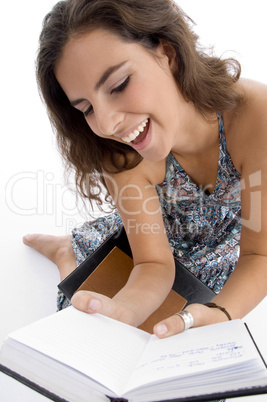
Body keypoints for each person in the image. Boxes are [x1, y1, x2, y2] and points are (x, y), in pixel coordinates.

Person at [23, 0, 267, 339]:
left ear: (167, 53)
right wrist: (126, 309)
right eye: (86, 108)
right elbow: (153, 264)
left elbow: (259, 255)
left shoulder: (257, 116)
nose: (107, 124)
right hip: (149, 247)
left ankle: (72, 250)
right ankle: (69, 252)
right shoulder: (120, 152)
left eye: (119, 85)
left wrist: (221, 313)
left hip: (219, 260)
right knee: (87, 321)